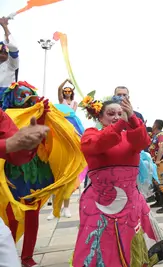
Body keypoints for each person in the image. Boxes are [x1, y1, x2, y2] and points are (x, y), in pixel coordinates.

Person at [72, 96, 163, 266]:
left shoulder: (130, 137)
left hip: (130, 203)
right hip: (99, 204)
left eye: (121, 113)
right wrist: (119, 126)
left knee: (131, 241)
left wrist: (132, 118)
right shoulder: (91, 134)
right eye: (111, 114)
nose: (117, 117)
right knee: (102, 244)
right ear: (100, 117)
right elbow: (98, 145)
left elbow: (143, 142)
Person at [0, 81, 86, 267]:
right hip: (10, 173)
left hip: (34, 172)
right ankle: (9, 254)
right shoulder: (6, 115)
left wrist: (43, 117)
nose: (26, 100)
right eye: (21, 95)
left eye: (29, 95)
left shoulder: (37, 113)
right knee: (11, 215)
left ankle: (26, 257)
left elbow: (43, 140)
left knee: (33, 214)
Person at [0, 110, 49, 267]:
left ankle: (26, 256)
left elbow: (17, 153)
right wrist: (7, 145)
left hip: (29, 178)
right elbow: (9, 143)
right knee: (12, 216)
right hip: (10, 180)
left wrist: (27, 143)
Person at [46, 78, 78, 218]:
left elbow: (73, 117)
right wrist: (66, 81)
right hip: (59, 132)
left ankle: (66, 208)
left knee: (68, 178)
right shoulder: (60, 102)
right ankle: (55, 209)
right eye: (65, 91)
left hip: (70, 132)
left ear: (71, 93)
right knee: (55, 178)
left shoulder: (74, 104)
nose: (66, 92)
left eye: (69, 91)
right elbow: (59, 89)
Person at [148, 120, 163, 214]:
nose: (152, 125)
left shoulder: (161, 135)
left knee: (160, 183)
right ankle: (159, 201)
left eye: (153, 124)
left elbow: (161, 148)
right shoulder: (155, 135)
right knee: (155, 182)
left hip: (160, 162)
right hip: (155, 162)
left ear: (156, 125)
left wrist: (158, 160)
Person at [0, 17, 18, 102]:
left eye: (5, 52)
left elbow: (13, 47)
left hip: (7, 100)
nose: (3, 54)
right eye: (1, 52)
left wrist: (5, 27)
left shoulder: (11, 64)